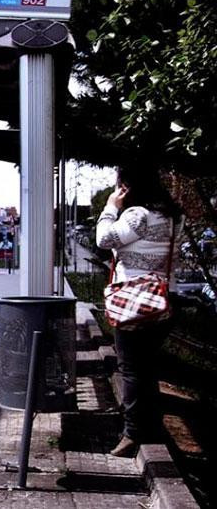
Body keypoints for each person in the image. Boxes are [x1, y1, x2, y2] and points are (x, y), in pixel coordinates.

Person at [97, 165, 182, 458]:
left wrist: (110, 208)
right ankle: (151, 427)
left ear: (127, 186)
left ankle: (132, 434)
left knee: (131, 370)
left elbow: (103, 240)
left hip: (134, 302)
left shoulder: (138, 215)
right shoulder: (171, 218)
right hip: (160, 300)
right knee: (147, 370)